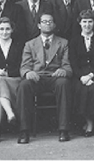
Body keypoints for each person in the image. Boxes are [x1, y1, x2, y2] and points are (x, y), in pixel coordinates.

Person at [17, 12, 72, 143]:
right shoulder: (30, 44)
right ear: (39, 25)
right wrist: (27, 73)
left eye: (50, 21)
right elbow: (24, 66)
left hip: (55, 77)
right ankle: (24, 131)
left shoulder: (63, 43)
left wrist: (63, 70)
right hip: (37, 77)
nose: (47, 24)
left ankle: (63, 129)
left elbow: (67, 66)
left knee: (63, 83)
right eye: (44, 22)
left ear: (54, 25)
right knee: (24, 85)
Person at [0, 16, 24, 143]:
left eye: (7, 29)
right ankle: (9, 113)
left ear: (12, 30)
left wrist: (8, 73)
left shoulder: (19, 45)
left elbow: (23, 66)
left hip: (15, 81)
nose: (4, 32)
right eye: (1, 29)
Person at [69, 10, 94, 137]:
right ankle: (87, 121)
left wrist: (91, 75)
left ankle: (92, 122)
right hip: (79, 75)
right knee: (81, 89)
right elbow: (73, 62)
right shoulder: (74, 41)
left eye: (90, 21)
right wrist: (82, 76)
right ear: (79, 23)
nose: (87, 25)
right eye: (84, 22)